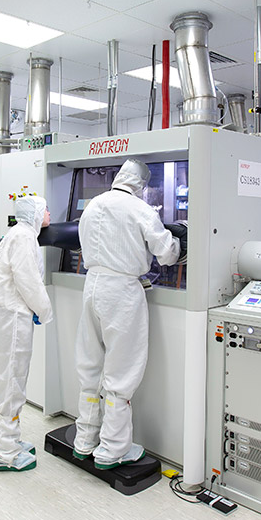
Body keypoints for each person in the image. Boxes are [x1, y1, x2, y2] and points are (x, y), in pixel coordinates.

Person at [73, 160, 182, 470]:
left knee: (90, 365)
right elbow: (167, 253)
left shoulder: (94, 205)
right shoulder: (141, 210)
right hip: (121, 292)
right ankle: (112, 449)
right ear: (141, 186)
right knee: (121, 372)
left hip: (91, 285)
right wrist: (177, 244)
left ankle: (85, 440)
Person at [0, 195, 54, 472]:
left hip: (4, 315)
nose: (49, 212)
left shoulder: (17, 233)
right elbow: (28, 280)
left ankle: (8, 439)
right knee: (12, 382)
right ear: (36, 212)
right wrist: (45, 309)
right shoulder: (25, 237)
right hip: (13, 319)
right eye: (46, 208)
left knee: (6, 381)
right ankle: (4, 453)